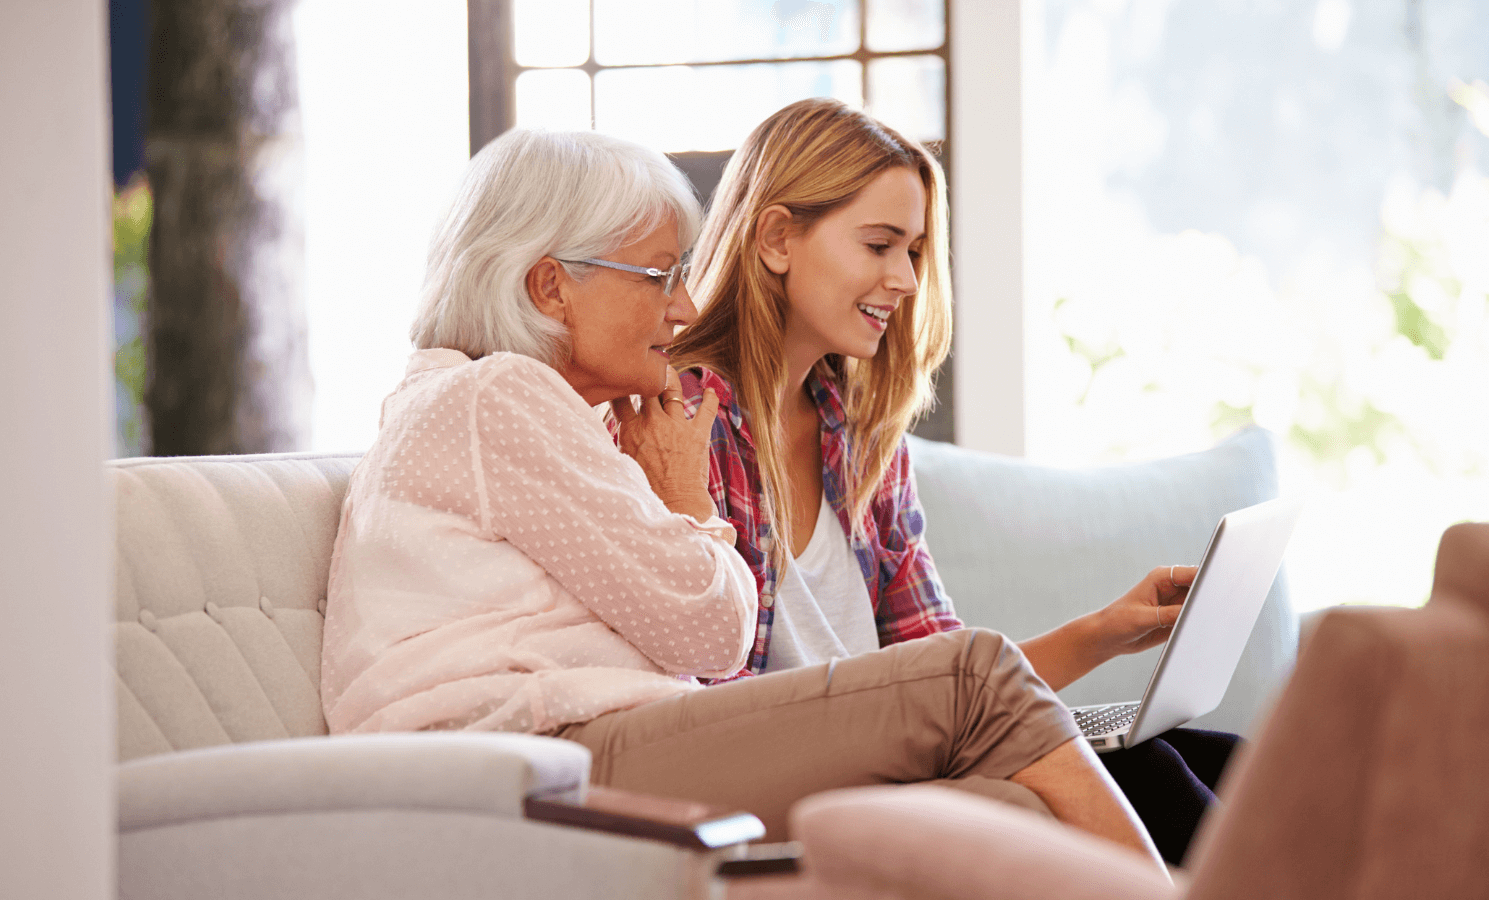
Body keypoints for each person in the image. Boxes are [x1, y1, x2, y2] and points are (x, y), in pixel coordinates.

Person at [320, 127, 1165, 867]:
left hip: (573, 758)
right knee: (975, 677)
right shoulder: (495, 398)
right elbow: (714, 633)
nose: (682, 304)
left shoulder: (547, 417)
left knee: (1006, 811)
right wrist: (686, 494)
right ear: (550, 287)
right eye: (657, 277)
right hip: (530, 770)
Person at [669, 97, 1238, 865]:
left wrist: (1104, 633)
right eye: (880, 245)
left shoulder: (864, 445)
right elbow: (701, 707)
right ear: (775, 237)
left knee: (1216, 757)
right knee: (1153, 776)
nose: (904, 279)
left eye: (913, 250)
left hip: (890, 751)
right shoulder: (681, 421)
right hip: (783, 775)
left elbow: (950, 680)